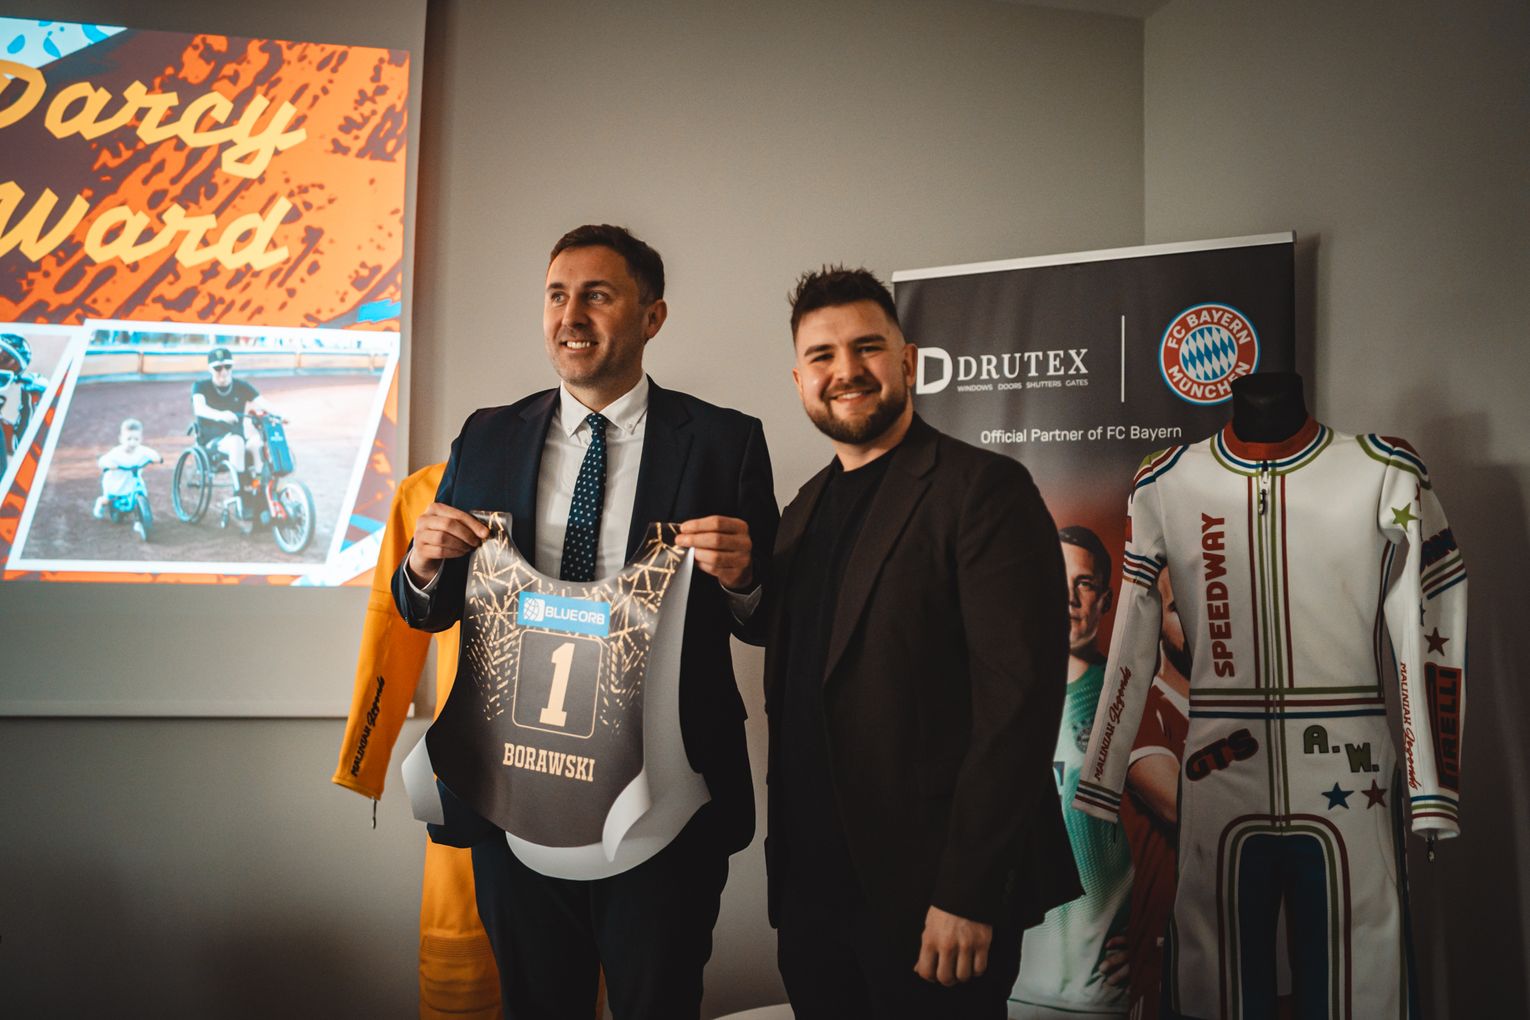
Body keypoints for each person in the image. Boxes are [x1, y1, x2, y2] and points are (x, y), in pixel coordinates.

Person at [391, 224, 778, 1019]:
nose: (571, 316)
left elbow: (767, 619)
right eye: (557, 296)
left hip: (663, 794)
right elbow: (426, 607)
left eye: (597, 296)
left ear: (652, 316)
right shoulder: (486, 435)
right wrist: (423, 563)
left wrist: (744, 579)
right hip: (510, 787)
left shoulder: (724, 442)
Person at [756, 266, 1078, 1019]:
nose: (846, 371)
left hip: (933, 900)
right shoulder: (801, 511)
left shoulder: (983, 490)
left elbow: (1020, 705)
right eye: (823, 356)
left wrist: (968, 893)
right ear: (800, 380)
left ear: (907, 360)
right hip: (813, 899)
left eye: (867, 348)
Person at [1010, 526, 1132, 1018]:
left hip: (1093, 995)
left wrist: (1158, 933)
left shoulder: (1125, 701)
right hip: (1003, 985)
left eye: (1084, 583)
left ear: (1105, 600)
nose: (1068, 598)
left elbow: (1185, 837)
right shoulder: (999, 698)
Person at [190, 345, 276, 523]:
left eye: (227, 367)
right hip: (212, 443)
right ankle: (242, 497)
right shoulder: (200, 387)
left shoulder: (241, 386)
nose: (223, 372)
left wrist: (282, 415)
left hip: (238, 440)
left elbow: (264, 403)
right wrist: (220, 415)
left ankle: (260, 494)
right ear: (210, 369)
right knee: (236, 441)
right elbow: (199, 408)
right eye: (218, 368)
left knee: (257, 442)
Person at [93, 418, 162, 538]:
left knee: (142, 497)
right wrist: (109, 465)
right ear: (121, 439)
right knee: (108, 499)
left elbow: (154, 454)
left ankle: (139, 522)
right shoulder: (116, 453)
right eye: (129, 439)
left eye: (136, 439)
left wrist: (157, 458)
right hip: (116, 483)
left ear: (141, 439)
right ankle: (101, 503)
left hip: (133, 482)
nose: (132, 443)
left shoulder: (142, 450)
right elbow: (102, 461)